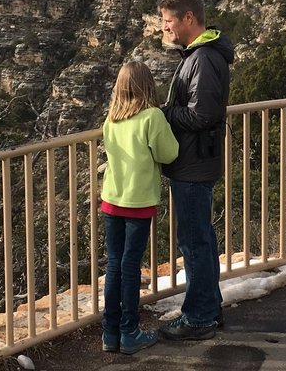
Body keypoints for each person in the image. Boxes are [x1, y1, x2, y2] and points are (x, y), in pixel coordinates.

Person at [156, 0, 234, 341]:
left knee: (195, 243)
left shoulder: (202, 59)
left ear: (188, 18)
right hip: (196, 163)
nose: (165, 28)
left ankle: (199, 317)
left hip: (193, 165)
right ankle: (208, 309)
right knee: (200, 239)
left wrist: (164, 114)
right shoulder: (199, 55)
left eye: (168, 21)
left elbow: (202, 115)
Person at [100, 61, 179, 354]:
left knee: (113, 265)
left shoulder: (111, 120)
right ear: (148, 86)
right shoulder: (152, 117)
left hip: (111, 200)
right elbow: (169, 153)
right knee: (130, 266)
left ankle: (110, 333)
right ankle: (129, 331)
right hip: (138, 202)